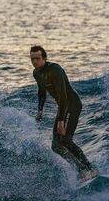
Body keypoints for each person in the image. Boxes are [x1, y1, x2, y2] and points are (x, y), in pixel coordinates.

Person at [30, 45, 96, 179]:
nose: (35, 61)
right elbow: (42, 92)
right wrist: (40, 111)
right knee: (56, 146)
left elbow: (63, 96)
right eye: (32, 59)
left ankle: (89, 169)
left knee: (65, 140)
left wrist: (61, 121)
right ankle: (80, 169)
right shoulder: (36, 73)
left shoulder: (55, 70)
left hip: (72, 104)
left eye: (37, 58)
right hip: (63, 107)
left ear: (44, 58)